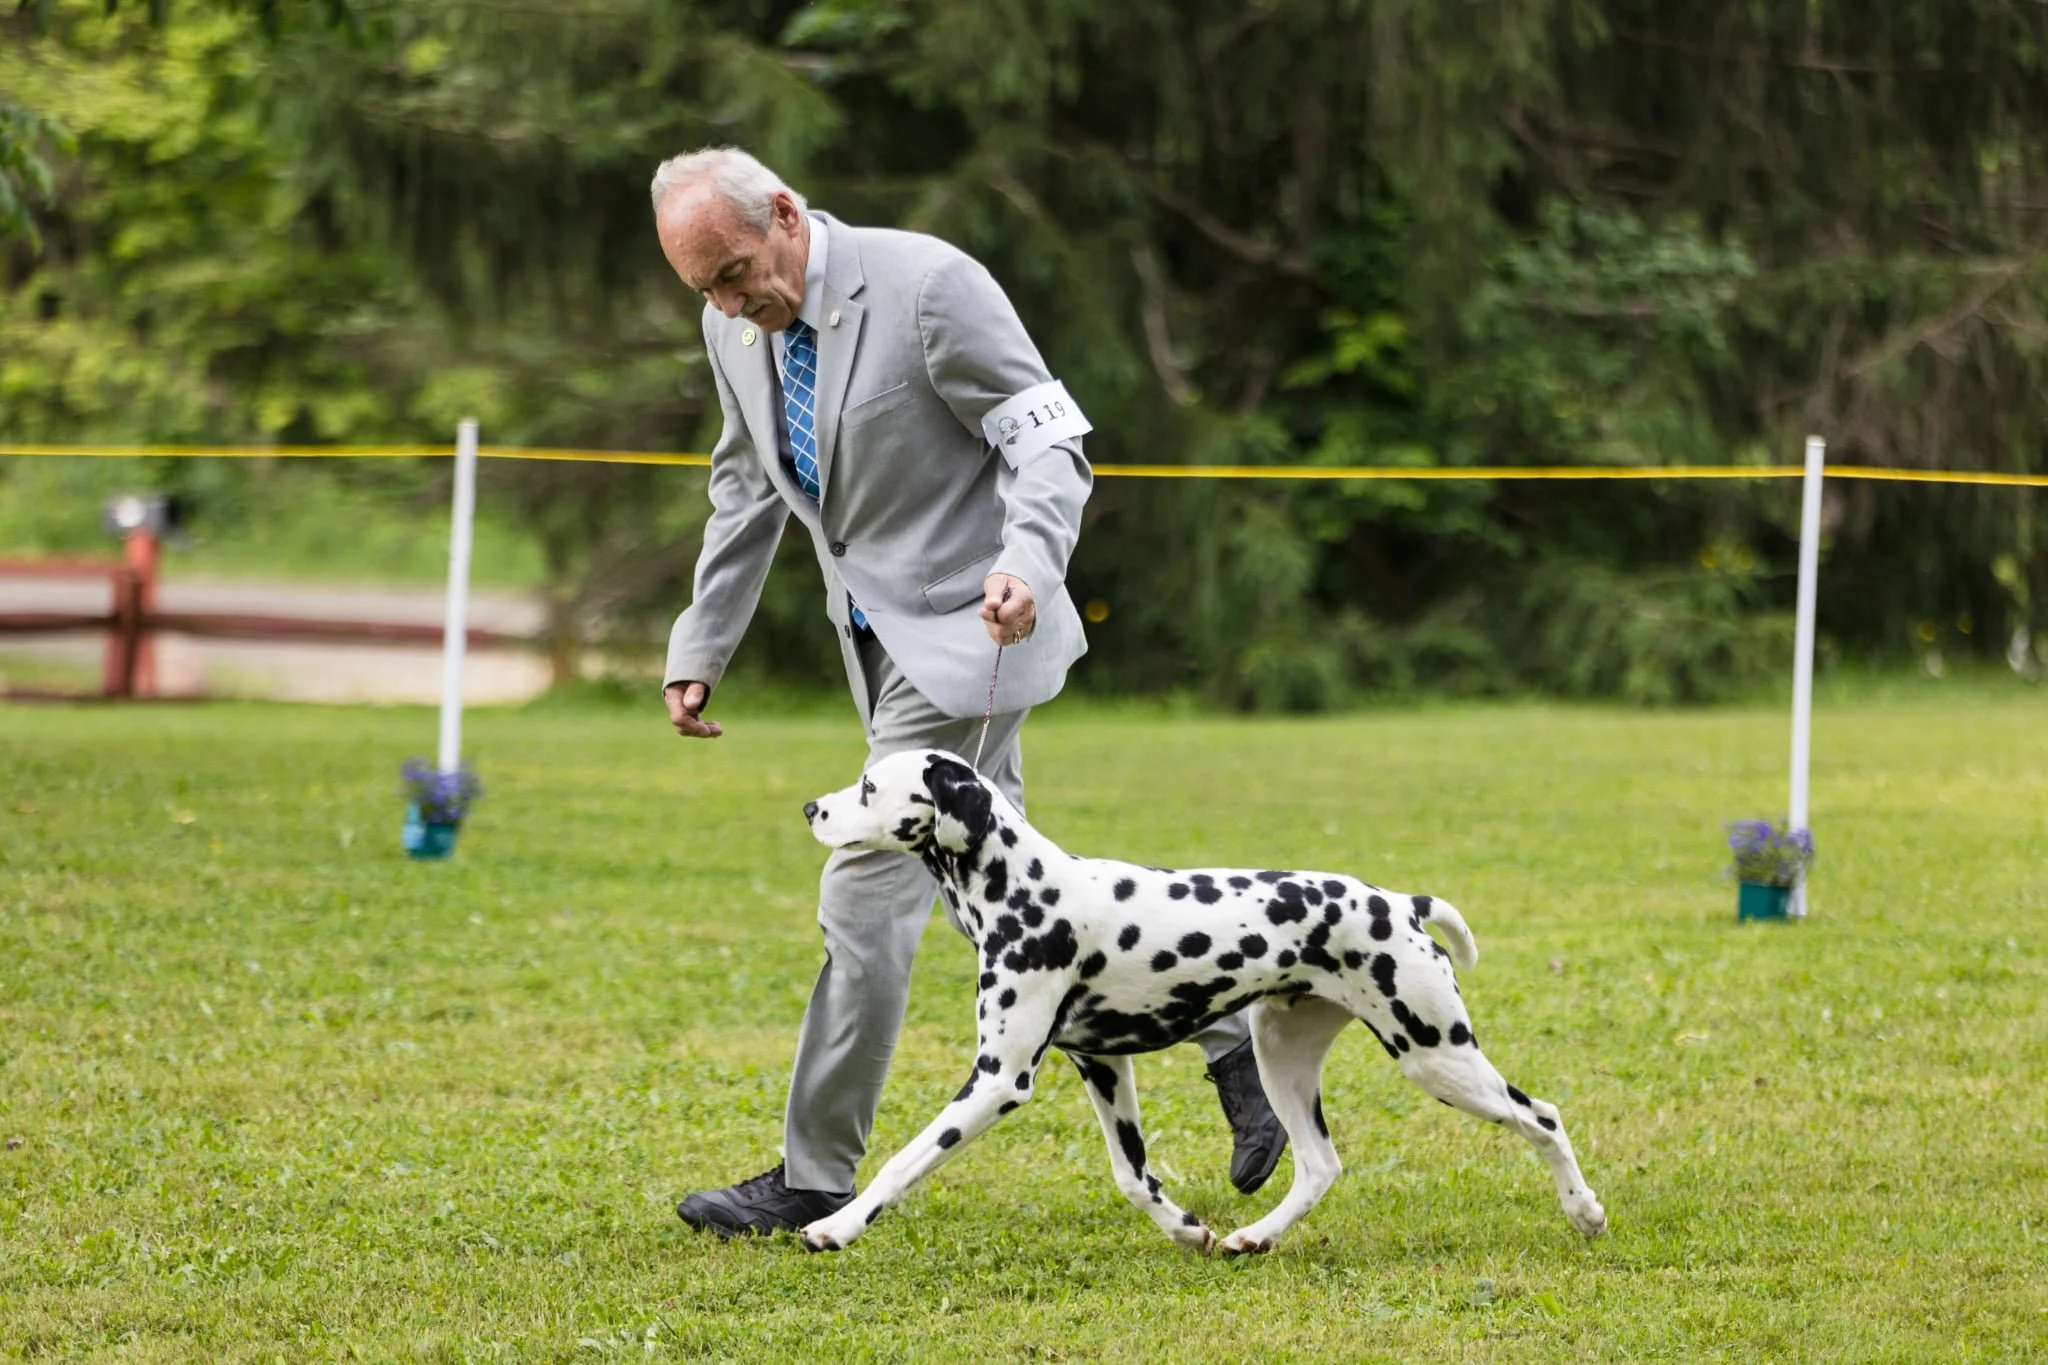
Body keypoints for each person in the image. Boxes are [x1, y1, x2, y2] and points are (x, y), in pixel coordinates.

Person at [651, 146, 1284, 1237]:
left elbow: (1050, 446)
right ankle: (1230, 1038)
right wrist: (699, 641)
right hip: (872, 647)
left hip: (972, 637)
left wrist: (1028, 569)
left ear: (787, 216)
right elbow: (746, 483)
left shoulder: (929, 285)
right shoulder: (734, 328)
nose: (727, 302)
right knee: (1005, 897)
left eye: (735, 271)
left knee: (863, 886)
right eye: (704, 287)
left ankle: (816, 1173)